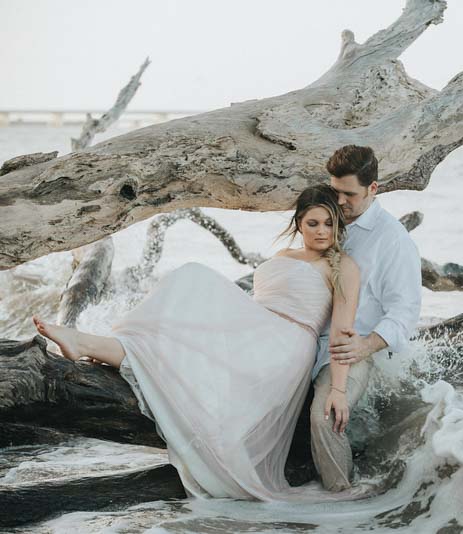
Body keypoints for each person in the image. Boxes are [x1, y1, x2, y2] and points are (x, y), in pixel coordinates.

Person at [32, 184, 361, 501]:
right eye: (312, 223)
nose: (321, 231)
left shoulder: (342, 266)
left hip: (285, 345)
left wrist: (339, 389)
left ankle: (89, 344)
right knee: (188, 286)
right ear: (298, 224)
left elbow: (342, 331)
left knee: (195, 282)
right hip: (256, 327)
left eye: (329, 223)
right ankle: (87, 344)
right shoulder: (285, 254)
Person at [309, 145, 422, 491]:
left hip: (350, 349)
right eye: (335, 191)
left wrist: (365, 346)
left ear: (373, 189)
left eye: (350, 194)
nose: (340, 202)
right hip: (303, 342)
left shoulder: (393, 241)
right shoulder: (325, 219)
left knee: (324, 417)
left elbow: (405, 312)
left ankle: (343, 504)